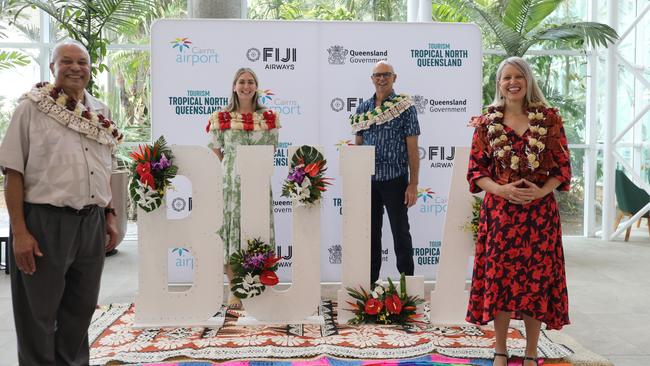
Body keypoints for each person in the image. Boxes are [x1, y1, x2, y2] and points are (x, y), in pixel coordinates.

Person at [0, 39, 121, 365]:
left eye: (82, 62)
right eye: (66, 61)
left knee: (80, 310)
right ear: (52, 67)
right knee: (37, 314)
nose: (75, 68)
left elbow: (104, 167)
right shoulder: (31, 107)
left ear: (91, 68)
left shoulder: (100, 112)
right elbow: (13, 174)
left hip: (91, 222)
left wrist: (109, 215)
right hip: (44, 222)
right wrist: (20, 232)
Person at [466, 56, 571, 366]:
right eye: (506, 77)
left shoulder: (550, 120)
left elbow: (563, 169)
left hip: (539, 217)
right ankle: (500, 350)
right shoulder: (487, 123)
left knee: (535, 282)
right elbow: (475, 171)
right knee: (499, 280)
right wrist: (502, 189)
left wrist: (541, 191)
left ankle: (530, 351)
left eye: (518, 77)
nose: (512, 82)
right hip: (500, 216)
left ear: (528, 81)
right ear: (499, 84)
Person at [206, 67, 280, 308]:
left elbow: (272, 151)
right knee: (231, 231)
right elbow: (216, 151)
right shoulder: (221, 118)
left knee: (256, 228)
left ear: (256, 87)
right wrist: (231, 168)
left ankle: (257, 283)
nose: (246, 86)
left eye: (250, 82)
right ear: (234, 86)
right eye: (241, 82)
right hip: (230, 184)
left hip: (258, 181)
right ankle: (234, 287)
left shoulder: (268, 118)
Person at [352, 61, 420, 285]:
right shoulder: (363, 109)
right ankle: (369, 285)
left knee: (400, 233)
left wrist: (413, 184)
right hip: (369, 180)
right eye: (378, 75)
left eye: (386, 75)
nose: (382, 79)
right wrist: (357, 180)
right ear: (372, 79)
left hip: (395, 179)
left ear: (394, 77)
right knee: (370, 235)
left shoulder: (405, 107)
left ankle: (407, 286)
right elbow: (358, 146)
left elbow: (412, 149)